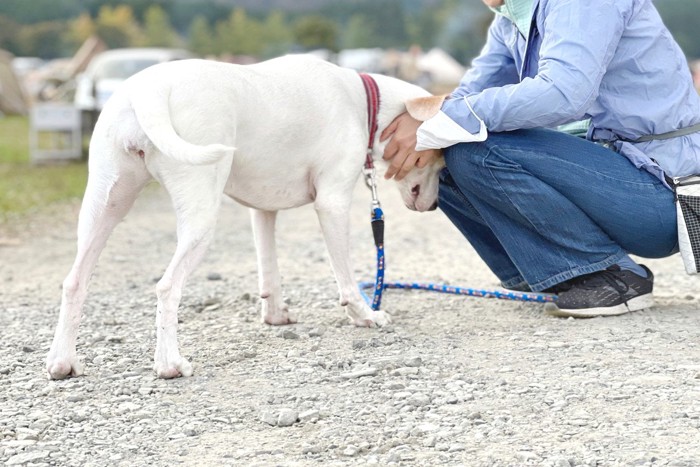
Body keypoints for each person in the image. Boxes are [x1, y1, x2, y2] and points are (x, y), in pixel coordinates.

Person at [381, 0, 700, 318]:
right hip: (620, 179)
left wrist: (440, 120)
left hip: (666, 192)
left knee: (473, 148)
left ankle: (612, 277)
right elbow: (472, 93)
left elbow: (564, 93)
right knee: (448, 148)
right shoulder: (512, 18)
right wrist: (424, 122)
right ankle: (557, 274)